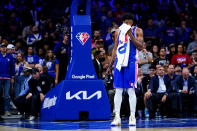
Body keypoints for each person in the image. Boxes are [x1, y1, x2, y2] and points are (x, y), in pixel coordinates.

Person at [107, 13, 143, 126]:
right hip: (119, 62)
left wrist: (131, 36)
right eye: (125, 21)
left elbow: (140, 46)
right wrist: (110, 65)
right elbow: (115, 48)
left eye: (129, 21)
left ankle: (132, 116)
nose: (127, 23)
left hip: (131, 62)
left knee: (130, 90)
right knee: (118, 90)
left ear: (132, 22)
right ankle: (117, 117)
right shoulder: (117, 31)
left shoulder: (138, 30)